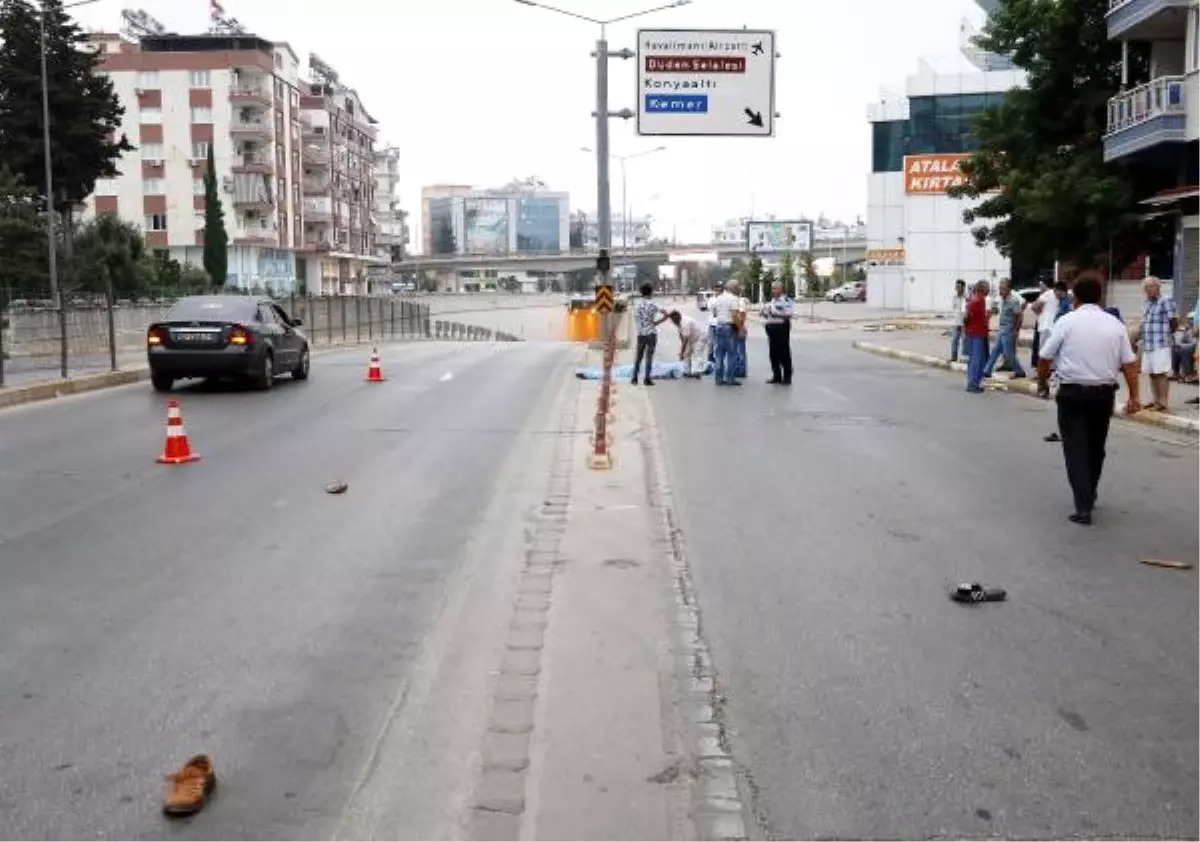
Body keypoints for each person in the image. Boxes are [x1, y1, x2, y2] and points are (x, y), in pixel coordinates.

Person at [1037, 272, 1140, 526]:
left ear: (1076, 298)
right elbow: (1129, 364)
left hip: (1072, 393)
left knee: (1075, 449)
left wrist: (1042, 382)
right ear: (1100, 296)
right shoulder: (1115, 324)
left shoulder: (1067, 322)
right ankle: (1090, 493)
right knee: (1096, 447)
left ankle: (1083, 506)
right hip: (1103, 394)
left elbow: (1045, 357)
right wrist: (1135, 396)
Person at [1133, 276, 1177, 411]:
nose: (1148, 289)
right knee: (1151, 373)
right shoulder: (1146, 303)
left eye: (1151, 286)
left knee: (1161, 373)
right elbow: (1144, 323)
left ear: (1158, 287)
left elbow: (1173, 321)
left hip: (1161, 343)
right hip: (1148, 344)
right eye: (1146, 287)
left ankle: (1163, 403)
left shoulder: (1166, 300)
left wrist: (1167, 335)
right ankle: (1155, 400)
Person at [982, 278, 1027, 379]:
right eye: (1000, 288)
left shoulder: (1013, 300)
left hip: (1008, 329)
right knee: (995, 350)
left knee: (1008, 353)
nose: (1000, 290)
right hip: (1002, 327)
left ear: (1009, 289)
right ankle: (987, 370)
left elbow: (1019, 316)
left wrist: (1016, 330)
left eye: (1003, 288)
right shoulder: (1003, 299)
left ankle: (1019, 371)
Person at [630, 282, 668, 386]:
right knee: (649, 357)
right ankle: (647, 378)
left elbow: (636, 318)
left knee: (638, 357)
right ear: (651, 292)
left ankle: (634, 378)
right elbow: (666, 314)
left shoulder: (636, 305)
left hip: (641, 334)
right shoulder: (654, 304)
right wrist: (656, 323)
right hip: (651, 333)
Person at [761, 280, 794, 384]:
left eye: (775, 288)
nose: (773, 290)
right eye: (772, 288)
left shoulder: (786, 300)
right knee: (773, 352)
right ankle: (776, 375)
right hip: (771, 326)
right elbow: (769, 313)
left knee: (783, 351)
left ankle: (787, 376)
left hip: (781, 326)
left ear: (781, 289)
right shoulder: (772, 300)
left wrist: (776, 315)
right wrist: (764, 313)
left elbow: (789, 314)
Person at [710, 281, 742, 386]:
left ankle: (718, 379)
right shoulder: (734, 299)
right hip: (729, 327)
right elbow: (735, 315)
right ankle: (729, 378)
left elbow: (714, 313)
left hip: (719, 326)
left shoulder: (718, 298)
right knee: (732, 354)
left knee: (719, 354)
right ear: (734, 289)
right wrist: (740, 328)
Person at [964, 280, 991, 393]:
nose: (989, 290)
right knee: (977, 359)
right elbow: (966, 317)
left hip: (973, 332)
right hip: (977, 333)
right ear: (982, 289)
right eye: (987, 288)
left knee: (974, 359)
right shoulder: (978, 301)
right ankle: (973, 383)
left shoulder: (975, 299)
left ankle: (972, 381)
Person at [668, 309, 708, 378]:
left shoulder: (686, 322)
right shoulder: (677, 321)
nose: (673, 322)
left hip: (700, 336)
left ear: (678, 318)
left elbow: (685, 340)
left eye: (674, 321)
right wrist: (683, 351)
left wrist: (681, 353)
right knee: (687, 353)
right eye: (672, 321)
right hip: (691, 337)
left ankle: (697, 372)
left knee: (697, 353)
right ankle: (687, 372)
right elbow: (681, 335)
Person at [1030, 280, 1056, 368]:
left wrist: (1039, 313)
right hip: (1054, 325)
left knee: (1043, 349)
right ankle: (1051, 368)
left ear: (1046, 285)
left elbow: (1034, 307)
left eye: (1041, 285)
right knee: (1052, 348)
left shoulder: (1046, 294)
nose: (1040, 287)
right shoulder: (1056, 293)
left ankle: (1041, 370)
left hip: (1045, 325)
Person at [949, 279, 967, 363]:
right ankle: (953, 357)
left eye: (959, 287)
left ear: (963, 287)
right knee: (954, 340)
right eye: (956, 287)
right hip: (956, 321)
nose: (957, 288)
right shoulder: (954, 296)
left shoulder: (967, 296)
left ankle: (963, 358)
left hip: (964, 322)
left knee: (964, 340)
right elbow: (953, 307)